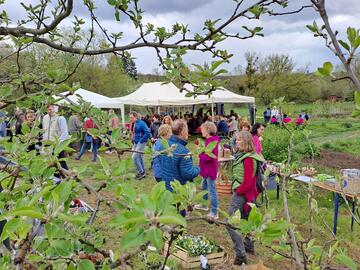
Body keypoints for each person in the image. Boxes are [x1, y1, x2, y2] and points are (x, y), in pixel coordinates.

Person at [227, 131, 264, 265]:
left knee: (230, 223)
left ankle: (241, 254)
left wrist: (237, 191)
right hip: (247, 194)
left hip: (243, 193)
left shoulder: (248, 158)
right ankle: (248, 245)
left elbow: (247, 182)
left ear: (246, 142)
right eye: (236, 140)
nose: (236, 142)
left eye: (238, 140)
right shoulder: (244, 155)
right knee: (247, 220)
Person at [161, 119, 200, 192]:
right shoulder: (184, 151)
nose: (188, 132)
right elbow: (188, 174)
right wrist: (199, 168)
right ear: (182, 132)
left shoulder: (165, 145)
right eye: (187, 130)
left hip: (167, 185)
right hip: (178, 189)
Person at [195, 121, 220, 219]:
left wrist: (199, 153)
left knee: (212, 190)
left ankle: (214, 211)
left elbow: (208, 157)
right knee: (204, 187)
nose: (201, 131)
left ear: (208, 130)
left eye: (203, 129)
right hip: (206, 169)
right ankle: (204, 204)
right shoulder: (208, 140)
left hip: (210, 170)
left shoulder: (211, 141)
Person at [42, 104, 69, 170]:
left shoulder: (60, 118)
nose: (49, 111)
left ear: (55, 109)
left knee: (61, 163)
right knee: (51, 164)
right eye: (48, 109)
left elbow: (65, 133)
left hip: (57, 145)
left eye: (50, 109)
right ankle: (56, 179)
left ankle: (68, 177)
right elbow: (44, 130)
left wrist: (59, 144)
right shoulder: (45, 117)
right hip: (47, 144)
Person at [130, 111, 150, 180]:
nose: (130, 119)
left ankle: (141, 172)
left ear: (135, 116)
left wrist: (141, 140)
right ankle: (142, 172)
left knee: (134, 157)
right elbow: (135, 133)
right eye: (130, 117)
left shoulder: (142, 123)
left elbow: (147, 132)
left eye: (131, 117)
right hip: (135, 143)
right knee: (139, 157)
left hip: (141, 143)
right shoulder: (135, 123)